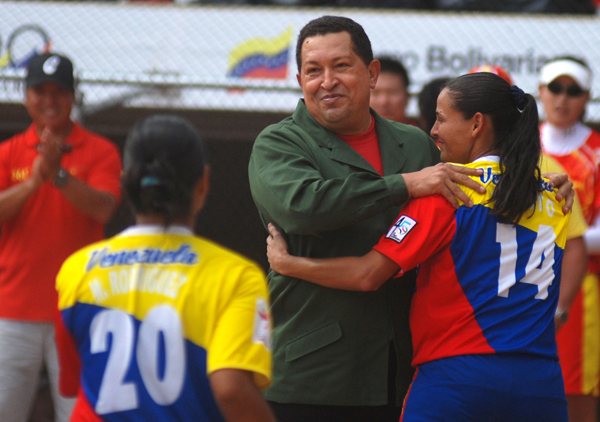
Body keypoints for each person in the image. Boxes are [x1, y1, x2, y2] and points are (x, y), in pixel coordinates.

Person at [248, 15, 573, 422]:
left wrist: (288, 264)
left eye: (341, 66)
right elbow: (303, 207)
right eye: (313, 70)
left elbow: (371, 272)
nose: (326, 80)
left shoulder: (430, 164)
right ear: (299, 79)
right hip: (318, 372)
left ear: (372, 73)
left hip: (420, 373)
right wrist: (407, 184)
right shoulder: (279, 142)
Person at [55, 114, 276, 422]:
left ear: (125, 181)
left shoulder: (76, 269)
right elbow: (232, 390)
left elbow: (74, 380)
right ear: (203, 183)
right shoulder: (236, 276)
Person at [0, 52, 122, 422]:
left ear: (73, 96)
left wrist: (59, 177)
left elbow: (104, 208)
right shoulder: (7, 153)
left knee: (79, 414)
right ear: (25, 97)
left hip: (77, 309)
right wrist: (36, 180)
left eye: (59, 91)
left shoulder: (101, 151)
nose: (50, 100)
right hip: (12, 310)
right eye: (40, 91)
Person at [539, 56, 600, 422]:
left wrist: (560, 236)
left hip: (583, 289)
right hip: (525, 279)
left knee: (575, 386)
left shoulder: (596, 153)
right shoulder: (522, 144)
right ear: (540, 93)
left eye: (573, 90)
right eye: (555, 89)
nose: (562, 99)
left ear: (587, 97)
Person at [370, 56, 414, 125]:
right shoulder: (349, 133)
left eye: (392, 93)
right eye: (375, 93)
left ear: (407, 97)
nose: (383, 102)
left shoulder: (421, 134)